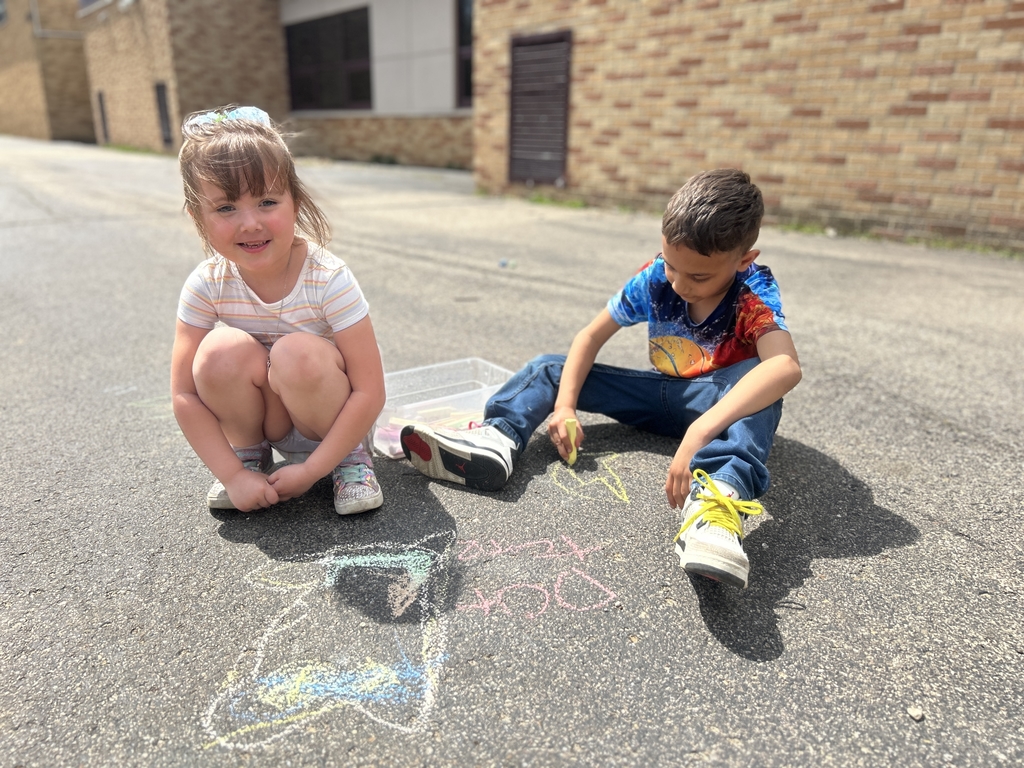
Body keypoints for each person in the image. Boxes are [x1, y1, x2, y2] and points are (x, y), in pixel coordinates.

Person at [401, 169, 801, 588]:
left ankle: (717, 502)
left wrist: (701, 431)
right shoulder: (655, 277)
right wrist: (565, 406)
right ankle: (498, 437)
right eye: (671, 266)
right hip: (658, 394)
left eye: (699, 277)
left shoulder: (752, 290)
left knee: (759, 383)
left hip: (715, 405)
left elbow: (785, 366)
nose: (680, 284)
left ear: (743, 260)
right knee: (550, 367)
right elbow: (590, 336)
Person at [170, 105, 385, 515]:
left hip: (334, 422)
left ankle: (350, 461)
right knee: (218, 351)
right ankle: (251, 456)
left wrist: (311, 470)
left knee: (296, 351)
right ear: (199, 216)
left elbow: (370, 390)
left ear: (296, 203)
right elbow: (183, 394)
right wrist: (233, 474)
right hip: (268, 420)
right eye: (226, 208)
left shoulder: (328, 278)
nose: (250, 223)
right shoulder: (207, 283)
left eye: (267, 201)